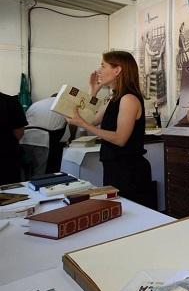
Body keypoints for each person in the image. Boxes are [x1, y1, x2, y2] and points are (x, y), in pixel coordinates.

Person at [65, 51, 154, 208]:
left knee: (131, 217)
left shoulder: (129, 99)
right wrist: (93, 90)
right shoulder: (114, 99)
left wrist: (85, 125)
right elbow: (91, 118)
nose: (99, 70)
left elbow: (120, 139)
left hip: (130, 171)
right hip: (114, 167)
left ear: (117, 70)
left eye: (103, 65)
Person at [20, 93, 74, 177]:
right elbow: (66, 137)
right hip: (42, 140)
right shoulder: (62, 106)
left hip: (24, 138)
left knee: (24, 170)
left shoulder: (37, 103)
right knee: (40, 171)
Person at [0, 92, 27, 185]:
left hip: (7, 157)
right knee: (11, 193)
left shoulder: (10, 102)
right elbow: (19, 131)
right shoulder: (10, 101)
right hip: (7, 157)